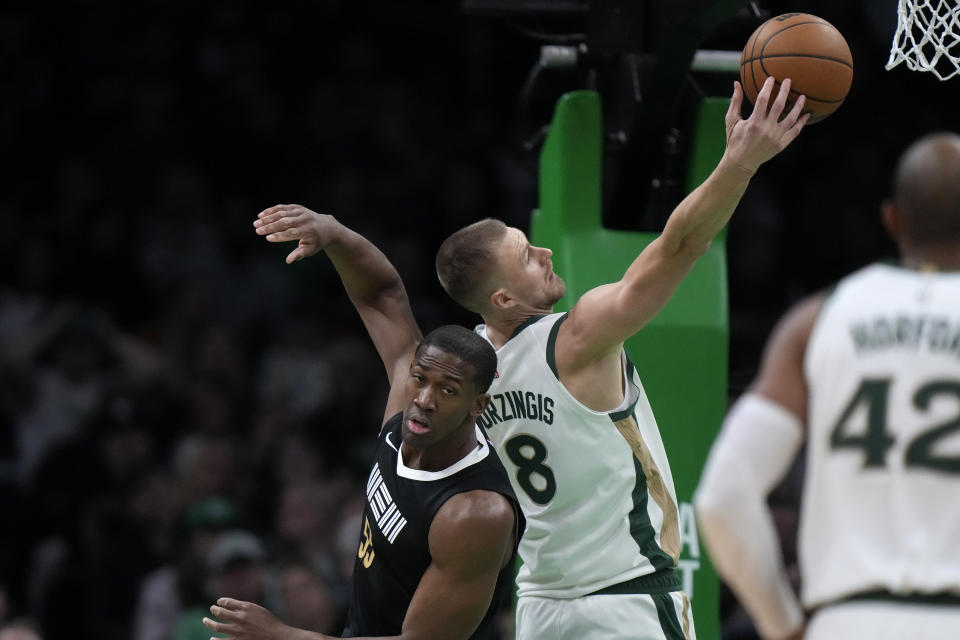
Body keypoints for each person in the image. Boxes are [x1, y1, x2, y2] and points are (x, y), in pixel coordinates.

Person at [245, 76, 806, 639]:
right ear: (503, 300)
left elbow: (385, 300)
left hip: (538, 606)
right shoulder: (578, 339)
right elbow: (679, 245)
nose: (543, 251)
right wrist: (738, 164)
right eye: (526, 256)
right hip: (627, 600)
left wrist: (334, 233)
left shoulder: (458, 376)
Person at [693, 131, 960, 640]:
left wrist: (782, 624)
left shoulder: (817, 321)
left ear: (892, 220)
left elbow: (722, 499)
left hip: (848, 620)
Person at [203, 320, 524, 639]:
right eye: (420, 379)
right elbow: (383, 296)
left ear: (478, 406)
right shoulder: (406, 422)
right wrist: (346, 264)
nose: (425, 399)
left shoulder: (475, 513)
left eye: (448, 390)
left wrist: (280, 636)